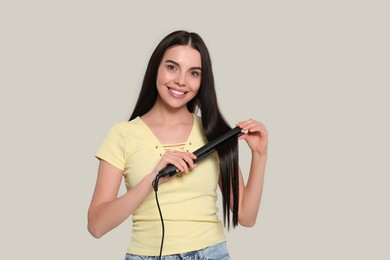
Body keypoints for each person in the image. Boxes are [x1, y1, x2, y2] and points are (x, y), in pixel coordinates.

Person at [87, 30, 268, 259]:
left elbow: (246, 217)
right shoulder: (122, 134)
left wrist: (260, 156)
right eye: (172, 67)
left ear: (202, 81)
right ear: (156, 69)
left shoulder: (214, 133)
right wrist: (153, 178)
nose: (181, 81)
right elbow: (96, 226)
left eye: (193, 73)